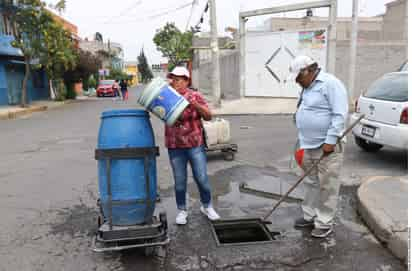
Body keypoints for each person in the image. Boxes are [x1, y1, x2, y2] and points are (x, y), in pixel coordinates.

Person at [288, 55, 348, 238]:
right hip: (308, 144)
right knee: (311, 182)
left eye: (299, 78)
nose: (298, 82)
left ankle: (324, 222)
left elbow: (340, 114)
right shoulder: (307, 86)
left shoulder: (331, 84)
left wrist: (330, 141)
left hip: (326, 146)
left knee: (327, 185)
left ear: (308, 71)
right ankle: (310, 215)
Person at [165, 66, 220, 225]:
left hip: (194, 144)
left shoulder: (195, 95)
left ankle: (207, 206)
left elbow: (208, 116)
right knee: (180, 180)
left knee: (201, 178)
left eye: (179, 79)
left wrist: (193, 104)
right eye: (173, 79)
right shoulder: (167, 96)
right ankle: (182, 210)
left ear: (187, 81)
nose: (175, 82)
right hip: (175, 145)